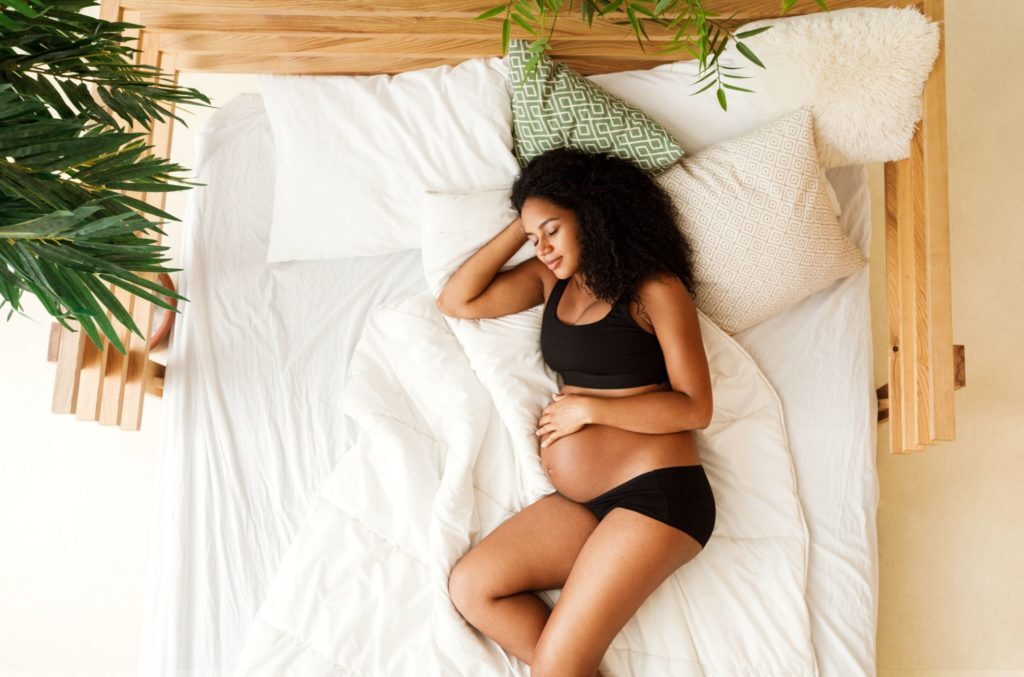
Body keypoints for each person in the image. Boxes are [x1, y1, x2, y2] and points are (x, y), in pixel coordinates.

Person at [436, 146, 715, 677]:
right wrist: (524, 226)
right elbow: (457, 301)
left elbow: (695, 407)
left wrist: (591, 410)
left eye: (553, 231)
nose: (542, 248)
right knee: (473, 587)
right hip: (584, 506)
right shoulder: (550, 283)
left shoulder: (656, 290)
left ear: (591, 215)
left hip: (657, 499)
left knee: (556, 670)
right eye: (533, 238)